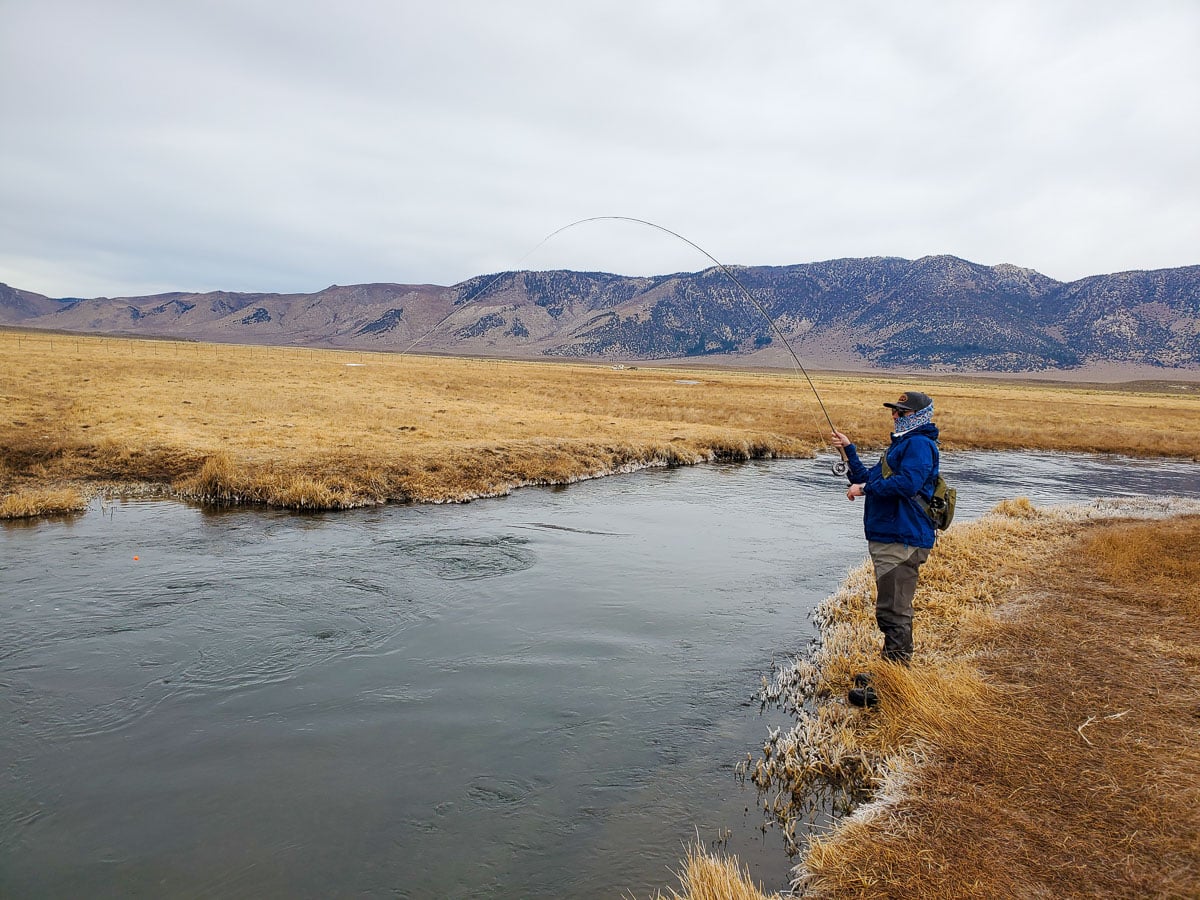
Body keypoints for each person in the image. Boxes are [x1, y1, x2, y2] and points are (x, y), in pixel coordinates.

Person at [829, 391, 941, 706]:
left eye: (901, 412)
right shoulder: (901, 445)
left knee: (895, 611)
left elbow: (907, 484)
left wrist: (863, 488)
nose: (895, 416)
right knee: (890, 609)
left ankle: (894, 683)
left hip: (902, 539)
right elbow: (868, 478)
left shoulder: (918, 445)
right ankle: (888, 672)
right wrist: (849, 451)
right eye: (894, 411)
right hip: (891, 537)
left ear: (918, 415)